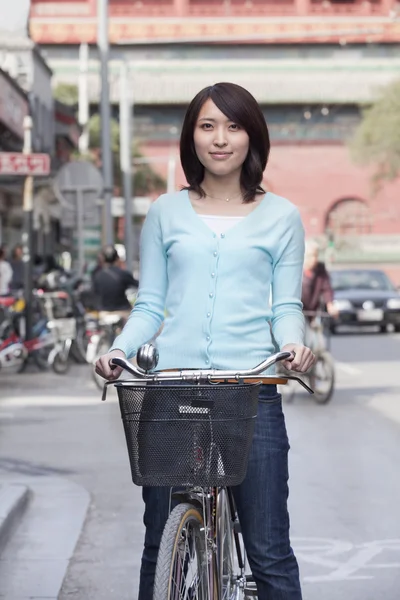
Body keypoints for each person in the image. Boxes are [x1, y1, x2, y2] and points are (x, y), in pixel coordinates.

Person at [95, 82, 315, 600]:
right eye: (208, 125)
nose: (221, 139)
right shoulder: (165, 213)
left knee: (269, 552)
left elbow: (285, 305)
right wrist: (120, 350)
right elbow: (150, 304)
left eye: (234, 126)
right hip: (172, 391)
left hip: (251, 391)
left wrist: (294, 344)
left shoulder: (282, 217)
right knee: (159, 544)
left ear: (251, 137)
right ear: (191, 136)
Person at [92, 245, 138, 316]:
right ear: (117, 258)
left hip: (103, 313)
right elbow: (137, 285)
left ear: (103, 259)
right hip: (123, 312)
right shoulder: (123, 274)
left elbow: (95, 293)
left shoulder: (97, 275)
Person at [302, 240, 339, 319]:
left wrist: (330, 305)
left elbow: (326, 289)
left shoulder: (320, 270)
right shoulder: (295, 271)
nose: (314, 259)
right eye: (311, 255)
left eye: (316, 256)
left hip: (313, 313)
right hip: (298, 313)